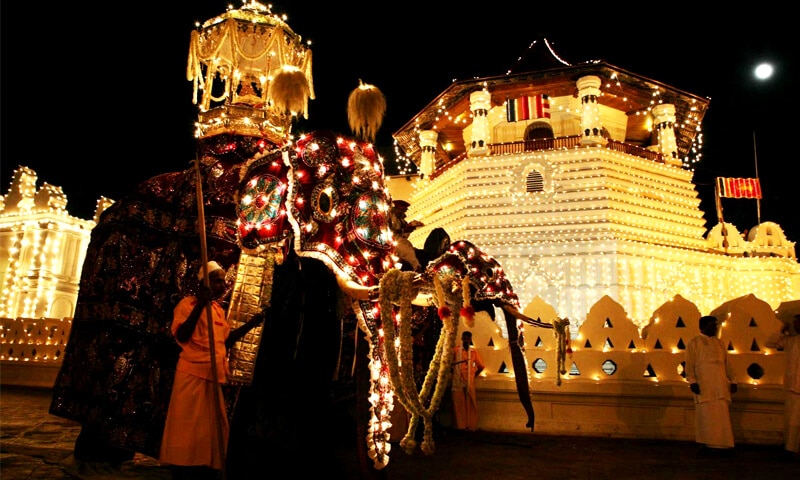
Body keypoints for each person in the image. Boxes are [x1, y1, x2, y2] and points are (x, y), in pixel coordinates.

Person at [159, 261, 265, 480]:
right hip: (191, 375)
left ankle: (203, 470)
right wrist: (200, 305)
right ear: (204, 283)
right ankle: (182, 471)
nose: (222, 285)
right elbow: (182, 336)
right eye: (217, 281)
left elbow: (225, 341)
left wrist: (251, 324)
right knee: (187, 428)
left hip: (213, 375)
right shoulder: (187, 304)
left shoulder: (217, 310)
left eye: (223, 281)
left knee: (208, 430)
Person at [685, 315, 738, 455]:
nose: (715, 328)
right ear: (702, 327)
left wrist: (733, 381)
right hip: (704, 386)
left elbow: (727, 364)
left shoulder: (719, 343)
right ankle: (707, 444)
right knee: (706, 416)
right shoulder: (694, 342)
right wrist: (693, 381)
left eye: (715, 326)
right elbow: (689, 364)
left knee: (721, 416)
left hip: (720, 385)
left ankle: (723, 445)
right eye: (712, 326)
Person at [765, 313, 800, 458]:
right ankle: (790, 448)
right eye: (795, 323)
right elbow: (769, 343)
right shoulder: (791, 341)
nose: (796, 326)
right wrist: (781, 331)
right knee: (791, 420)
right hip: (792, 386)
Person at [451, 330, 485, 431]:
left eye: (468, 338)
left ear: (470, 339)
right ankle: (460, 425)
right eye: (464, 338)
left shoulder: (473, 352)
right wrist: (454, 373)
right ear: (462, 338)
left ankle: (471, 425)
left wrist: (473, 375)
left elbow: (481, 366)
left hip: (469, 380)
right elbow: (449, 364)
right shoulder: (456, 350)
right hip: (458, 380)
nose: (466, 340)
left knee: (471, 402)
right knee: (458, 403)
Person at [389, 199, 424, 271]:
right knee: (408, 251)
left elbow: (404, 233)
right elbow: (391, 231)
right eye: (401, 210)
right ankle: (416, 267)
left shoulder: (401, 219)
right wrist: (404, 230)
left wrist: (411, 228)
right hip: (393, 241)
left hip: (401, 240)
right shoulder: (390, 217)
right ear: (396, 209)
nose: (403, 212)